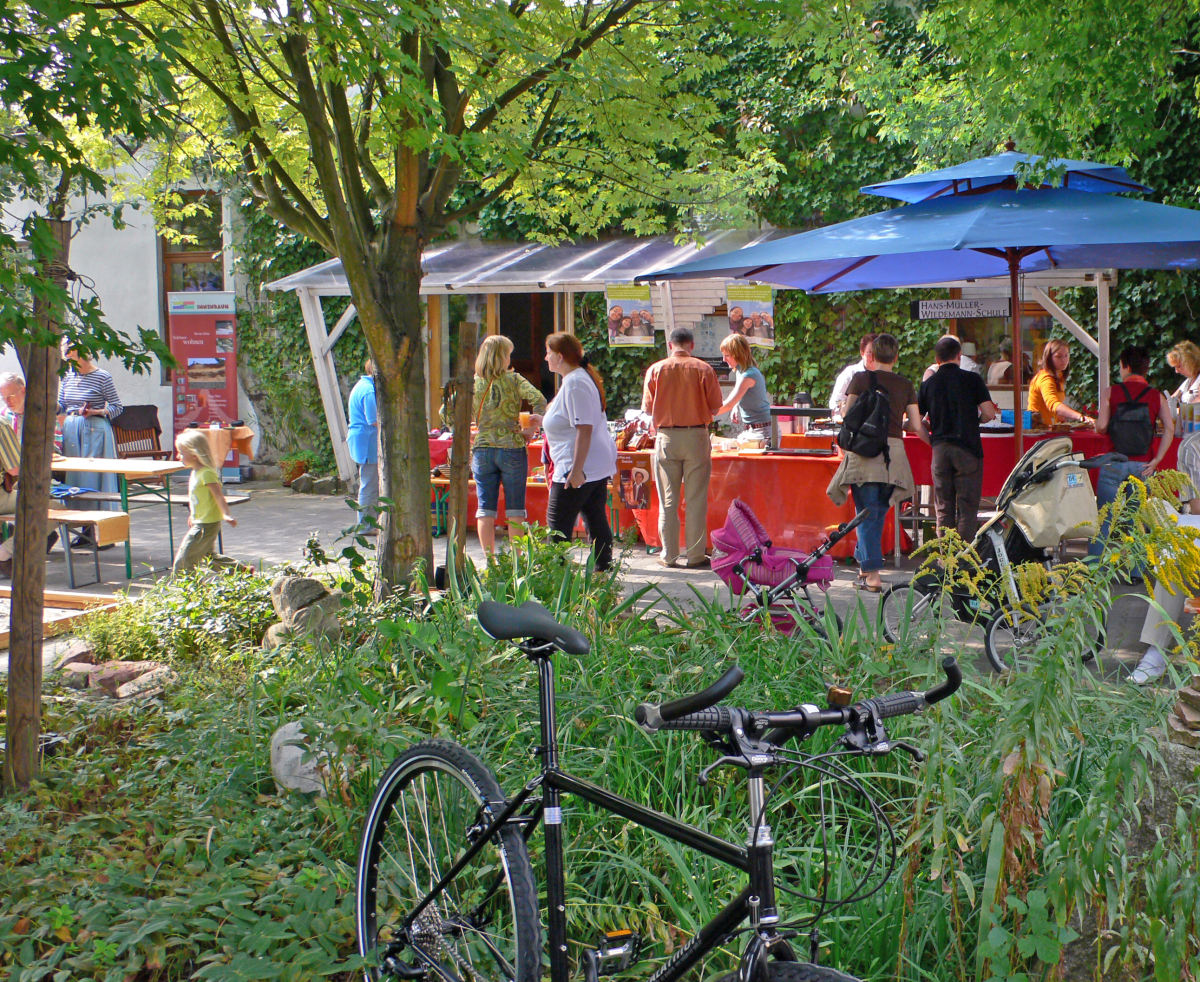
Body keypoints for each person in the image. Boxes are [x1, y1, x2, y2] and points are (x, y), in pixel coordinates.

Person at [826, 333, 930, 592]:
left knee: (868, 514)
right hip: (892, 456)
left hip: (864, 454)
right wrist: (897, 423)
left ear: (871, 356)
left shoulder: (860, 379)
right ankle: (865, 569)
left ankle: (871, 574)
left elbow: (848, 415)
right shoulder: (905, 385)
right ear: (896, 356)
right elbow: (916, 425)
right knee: (875, 513)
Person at [642, 327, 723, 569]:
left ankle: (669, 555)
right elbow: (716, 407)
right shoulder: (703, 369)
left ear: (670, 345)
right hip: (696, 435)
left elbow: (647, 408)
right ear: (692, 345)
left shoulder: (656, 369)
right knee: (696, 499)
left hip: (666, 437)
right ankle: (696, 555)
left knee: (668, 500)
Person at [535, 333, 617, 571]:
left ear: (559, 356)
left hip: (578, 465)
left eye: (548, 352)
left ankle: (557, 578)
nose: (545, 357)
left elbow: (584, 428)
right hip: (588, 464)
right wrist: (542, 420)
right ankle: (602, 572)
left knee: (558, 525)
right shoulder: (575, 379)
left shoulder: (575, 382)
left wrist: (577, 470)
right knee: (594, 517)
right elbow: (570, 422)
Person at [1090, 345, 1174, 561]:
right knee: (1137, 520)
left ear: (1125, 366)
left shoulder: (1111, 392)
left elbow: (1101, 427)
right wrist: (1157, 460)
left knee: (1104, 519)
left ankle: (1094, 571)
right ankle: (1137, 571)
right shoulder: (1156, 396)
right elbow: (1170, 429)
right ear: (1146, 369)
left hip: (1113, 462)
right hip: (1143, 466)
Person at [469, 334, 547, 557]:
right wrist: (531, 429)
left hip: (483, 448)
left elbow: (445, 412)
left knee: (485, 508)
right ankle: (516, 563)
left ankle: (490, 563)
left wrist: (469, 433)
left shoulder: (473, 383)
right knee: (515, 508)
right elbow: (540, 400)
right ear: (502, 356)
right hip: (512, 446)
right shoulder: (514, 380)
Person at [919, 335, 997, 540]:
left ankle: (947, 559)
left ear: (937, 360)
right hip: (967, 448)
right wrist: (976, 421)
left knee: (943, 508)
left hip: (940, 450)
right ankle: (963, 562)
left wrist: (932, 441)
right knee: (967, 508)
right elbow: (989, 413)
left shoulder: (929, 383)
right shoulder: (972, 379)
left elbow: (915, 423)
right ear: (959, 356)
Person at [58, 343, 124, 533]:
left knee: (94, 478)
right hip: (72, 429)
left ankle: (100, 530)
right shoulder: (67, 376)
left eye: (69, 350)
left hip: (95, 428)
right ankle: (80, 527)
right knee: (74, 478)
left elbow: (117, 406)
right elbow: (62, 405)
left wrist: (97, 411)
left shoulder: (102, 376)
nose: (66, 355)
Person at [172, 428, 239, 574]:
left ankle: (188, 591)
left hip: (206, 524)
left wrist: (226, 514)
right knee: (208, 557)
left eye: (182, 453)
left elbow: (218, 496)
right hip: (201, 521)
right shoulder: (195, 472)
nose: (178, 456)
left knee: (184, 560)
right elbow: (199, 499)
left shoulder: (207, 473)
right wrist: (193, 515)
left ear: (195, 454)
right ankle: (241, 571)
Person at [717, 333, 772, 444]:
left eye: (727, 355)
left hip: (762, 431)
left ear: (738, 355)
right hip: (755, 429)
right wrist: (736, 406)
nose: (724, 359)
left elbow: (728, 404)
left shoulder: (748, 375)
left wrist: (704, 415)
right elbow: (740, 395)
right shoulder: (741, 371)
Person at [345, 358, 379, 530]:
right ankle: (366, 526)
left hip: (363, 441)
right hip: (367, 442)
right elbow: (374, 420)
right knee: (369, 484)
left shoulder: (362, 386)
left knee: (370, 483)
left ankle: (369, 523)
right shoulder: (368, 391)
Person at [1028, 339, 1093, 426]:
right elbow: (1053, 404)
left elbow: (1052, 407)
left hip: (1048, 428)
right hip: (1037, 430)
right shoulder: (1045, 378)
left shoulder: (1058, 375)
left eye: (1066, 355)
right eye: (1059, 356)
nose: (1064, 360)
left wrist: (1059, 416)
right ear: (1049, 358)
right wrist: (1081, 417)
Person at [829, 334, 877, 421]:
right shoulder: (850, 373)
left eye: (877, 352)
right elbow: (835, 403)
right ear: (862, 353)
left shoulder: (884, 375)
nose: (874, 357)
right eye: (870, 352)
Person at [1167, 340, 1200, 406]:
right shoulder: (1189, 381)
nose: (1176, 371)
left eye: (1179, 366)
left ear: (1190, 362)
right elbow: (1170, 400)